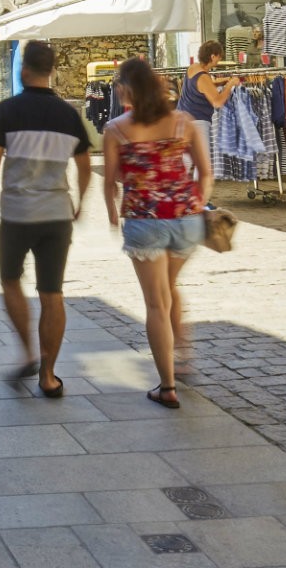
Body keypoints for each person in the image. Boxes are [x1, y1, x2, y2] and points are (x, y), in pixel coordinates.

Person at [0, 40, 94, 398]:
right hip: (57, 216)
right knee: (52, 292)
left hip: (18, 214)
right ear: (51, 70)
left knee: (11, 281)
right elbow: (85, 165)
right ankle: (49, 375)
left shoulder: (8, 110)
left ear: (24, 69)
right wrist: (79, 202)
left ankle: (27, 352)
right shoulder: (69, 115)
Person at [102, 55, 213, 411]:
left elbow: (110, 182)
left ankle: (166, 386)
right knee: (168, 290)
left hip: (144, 221)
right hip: (186, 220)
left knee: (156, 303)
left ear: (126, 89)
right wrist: (197, 201)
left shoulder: (116, 129)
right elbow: (206, 174)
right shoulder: (184, 122)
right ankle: (181, 353)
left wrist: (112, 214)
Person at [175, 41, 240, 145]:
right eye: (219, 56)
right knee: (201, 160)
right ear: (213, 56)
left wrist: (222, 81)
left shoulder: (193, 67)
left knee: (186, 159)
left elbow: (202, 88)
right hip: (197, 124)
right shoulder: (203, 77)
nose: (220, 60)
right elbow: (217, 102)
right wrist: (230, 84)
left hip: (182, 121)